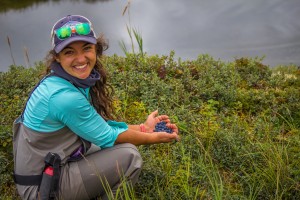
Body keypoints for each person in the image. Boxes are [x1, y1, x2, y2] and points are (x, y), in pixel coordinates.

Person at [12, 14, 179, 200]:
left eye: (86, 49)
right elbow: (108, 136)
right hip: (41, 189)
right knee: (130, 156)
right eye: (69, 52)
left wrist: (143, 128)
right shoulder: (63, 97)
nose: (80, 58)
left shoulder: (63, 81)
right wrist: (153, 137)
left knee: (101, 146)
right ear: (57, 58)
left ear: (96, 50)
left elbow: (99, 127)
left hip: (51, 168)